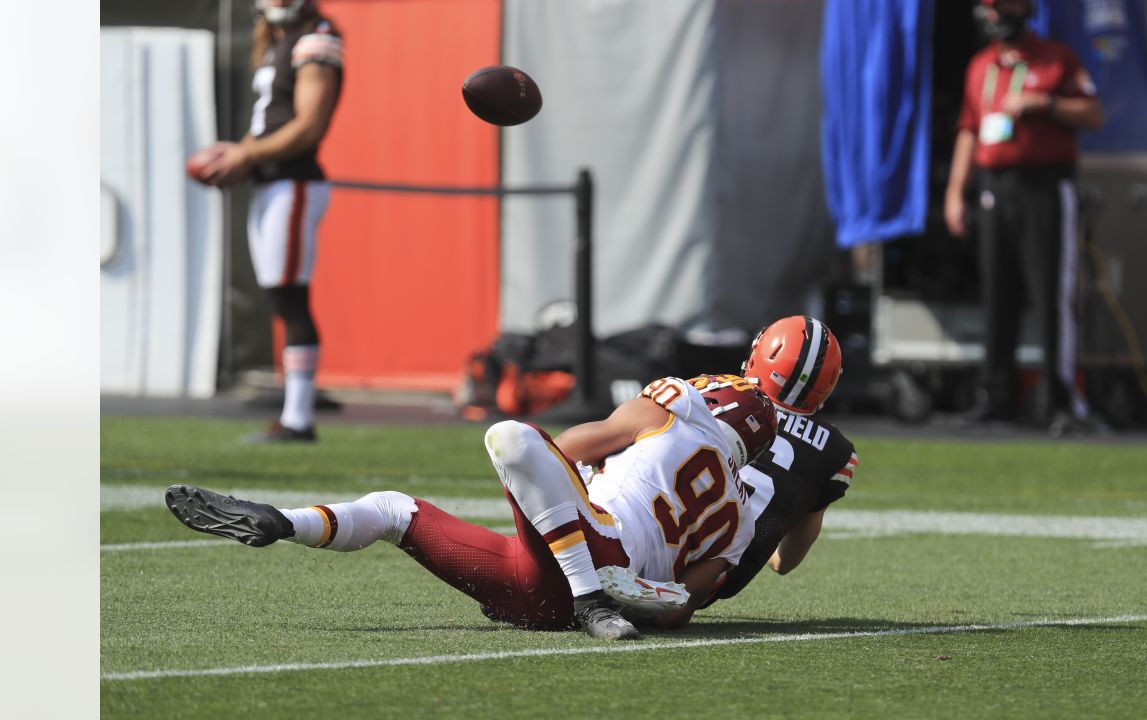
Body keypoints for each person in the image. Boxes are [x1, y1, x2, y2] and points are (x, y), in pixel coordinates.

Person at [164, 374, 778, 640]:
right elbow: (680, 611)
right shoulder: (743, 520)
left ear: (715, 404)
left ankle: (288, 522)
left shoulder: (666, 411)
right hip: (568, 594)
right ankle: (276, 523)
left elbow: (555, 448)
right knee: (401, 508)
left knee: (501, 441)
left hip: (580, 560)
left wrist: (581, 481)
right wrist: (641, 589)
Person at [943, 0, 1103, 432]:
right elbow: (970, 129)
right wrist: (957, 191)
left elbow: (1092, 112)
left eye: (998, 8)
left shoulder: (1056, 59)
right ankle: (997, 396)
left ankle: (1060, 399)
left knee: (1052, 294)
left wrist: (1043, 103)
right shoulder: (981, 65)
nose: (991, 17)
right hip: (995, 188)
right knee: (998, 294)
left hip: (1045, 187)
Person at [193, 0, 344, 443]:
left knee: (291, 297)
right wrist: (237, 153)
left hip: (294, 184)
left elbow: (309, 126)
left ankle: (299, 419)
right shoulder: (278, 41)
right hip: (270, 184)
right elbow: (267, 123)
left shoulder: (317, 38)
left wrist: (246, 154)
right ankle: (293, 412)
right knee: (281, 297)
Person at [655, 317, 859, 623]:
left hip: (656, 530)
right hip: (711, 583)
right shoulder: (836, 452)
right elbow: (784, 562)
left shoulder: (720, 393)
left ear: (758, 356)